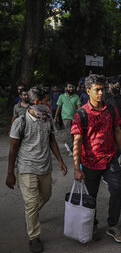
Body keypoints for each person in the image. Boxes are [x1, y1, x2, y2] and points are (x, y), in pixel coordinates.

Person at [6, 87, 67, 253]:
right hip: (26, 167)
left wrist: (60, 161)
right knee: (32, 203)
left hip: (44, 166)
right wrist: (10, 173)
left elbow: (52, 140)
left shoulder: (47, 119)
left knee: (46, 195)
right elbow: (13, 149)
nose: (50, 103)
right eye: (48, 100)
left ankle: (30, 214)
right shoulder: (21, 121)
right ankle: (34, 237)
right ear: (38, 102)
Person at [71, 74, 121, 243]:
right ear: (88, 91)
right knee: (91, 197)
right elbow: (77, 141)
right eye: (97, 90)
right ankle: (91, 225)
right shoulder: (81, 114)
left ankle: (113, 225)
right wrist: (76, 168)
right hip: (89, 163)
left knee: (117, 189)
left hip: (110, 159)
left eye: (102, 89)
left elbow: (117, 131)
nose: (101, 93)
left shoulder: (110, 109)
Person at [54, 82, 81, 156]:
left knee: (75, 133)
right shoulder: (62, 97)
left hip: (75, 118)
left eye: (72, 87)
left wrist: (81, 116)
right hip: (66, 118)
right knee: (69, 133)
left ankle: (71, 146)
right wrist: (55, 118)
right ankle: (72, 150)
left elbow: (79, 107)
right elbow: (58, 108)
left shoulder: (76, 96)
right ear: (65, 88)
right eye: (69, 87)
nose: (71, 88)